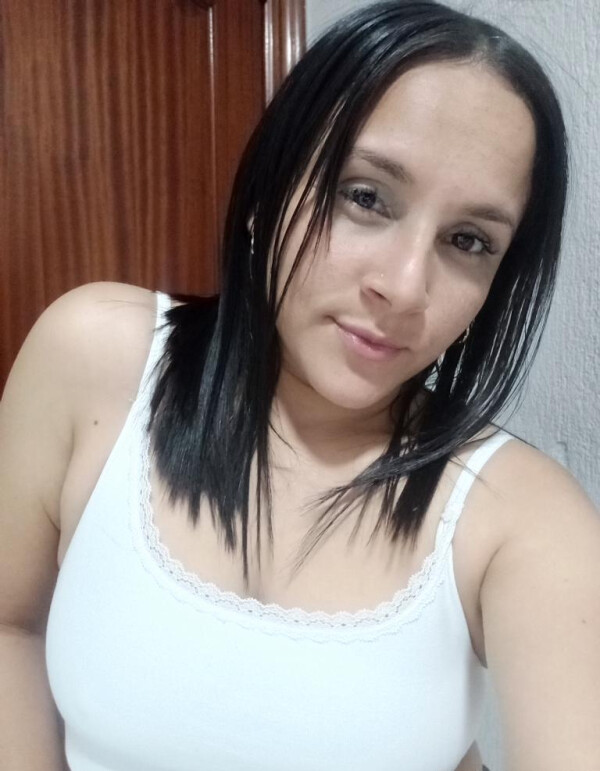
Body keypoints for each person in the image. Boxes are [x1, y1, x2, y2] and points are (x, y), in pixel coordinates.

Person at [1, 1, 598, 769]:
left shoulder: (520, 516)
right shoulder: (96, 360)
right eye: (366, 196)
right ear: (269, 189)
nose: (404, 286)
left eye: (468, 240)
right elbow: (9, 621)